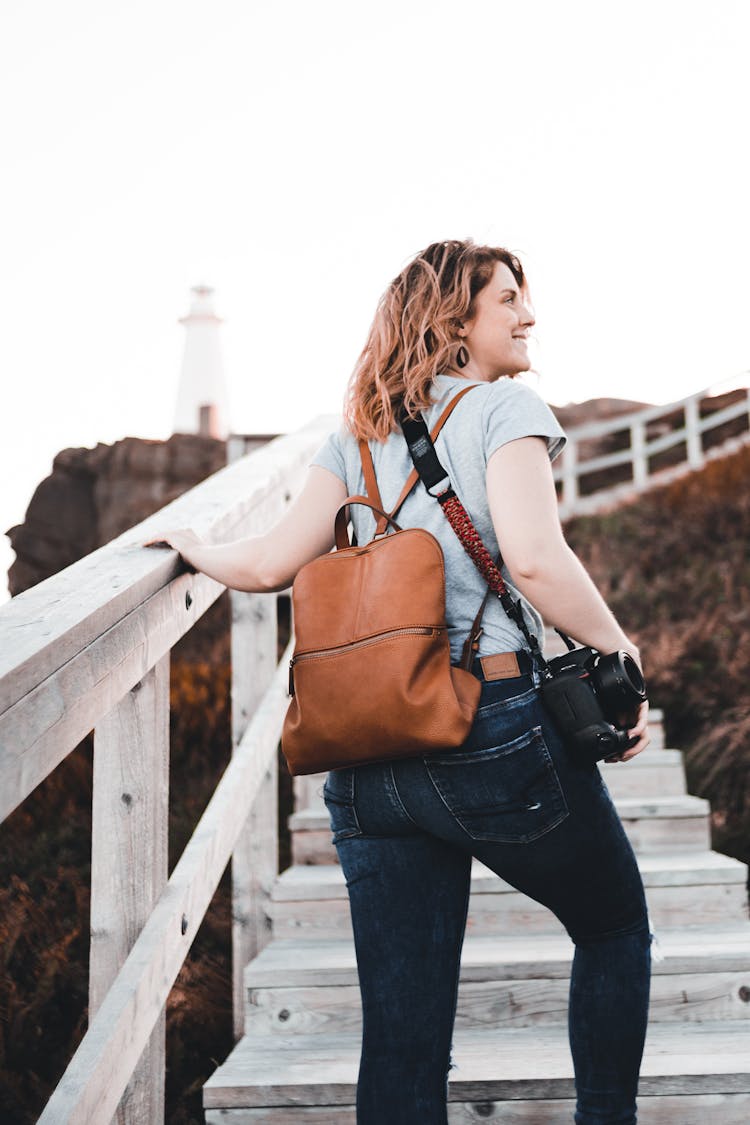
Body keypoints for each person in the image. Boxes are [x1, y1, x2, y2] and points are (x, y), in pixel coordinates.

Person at [144, 239, 652, 1125]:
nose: (528, 315)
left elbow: (267, 564)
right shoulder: (507, 409)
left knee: (403, 1041)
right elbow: (533, 556)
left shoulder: (359, 438)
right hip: (489, 732)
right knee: (613, 929)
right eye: (508, 301)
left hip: (369, 761)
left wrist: (193, 549)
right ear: (456, 325)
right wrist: (621, 653)